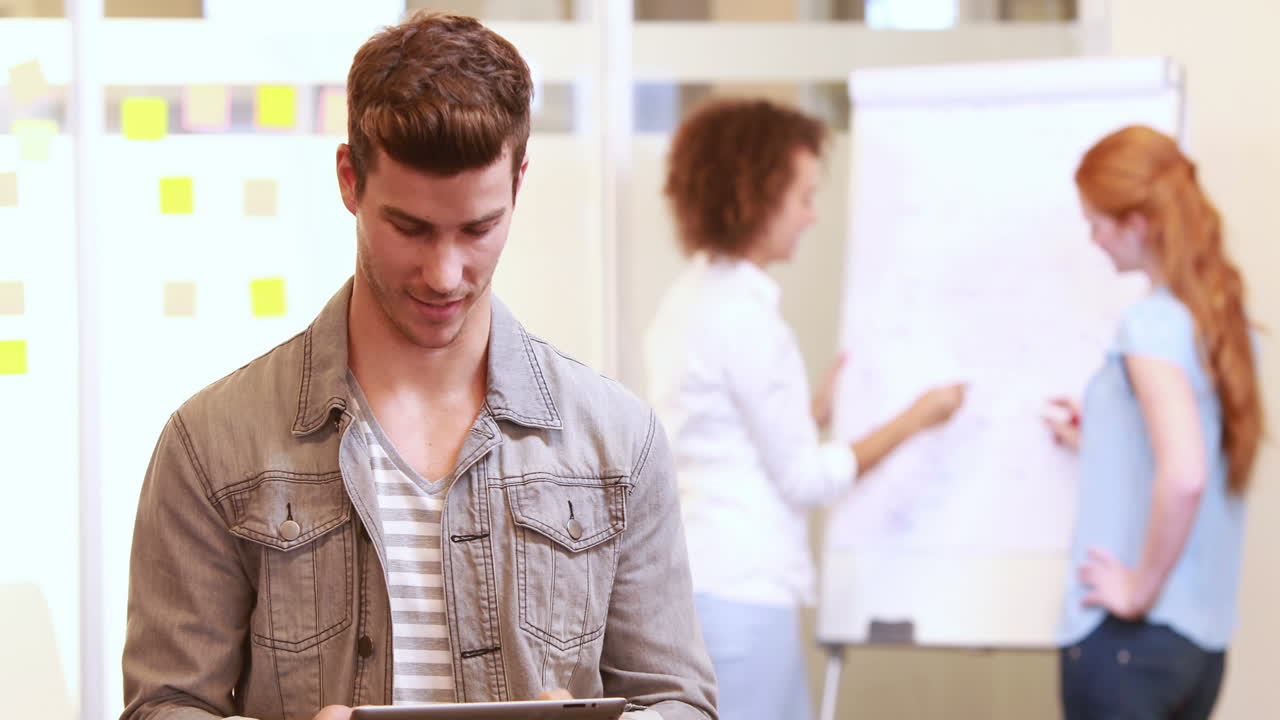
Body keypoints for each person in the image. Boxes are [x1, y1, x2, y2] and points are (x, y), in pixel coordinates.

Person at [120, 13, 716, 720]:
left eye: (478, 228)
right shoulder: (212, 442)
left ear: (519, 183)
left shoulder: (617, 440)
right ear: (350, 180)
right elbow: (164, 705)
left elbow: (680, 703)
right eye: (410, 228)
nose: (444, 273)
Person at [644, 98, 965, 720]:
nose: (812, 216)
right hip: (743, 595)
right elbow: (806, 479)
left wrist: (807, 413)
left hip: (703, 583)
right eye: (803, 197)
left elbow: (717, 433)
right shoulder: (745, 317)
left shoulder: (689, 300)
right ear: (756, 198)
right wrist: (918, 417)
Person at [1047, 125, 1263, 720]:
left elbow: (1185, 474)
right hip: (1197, 651)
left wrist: (1137, 590)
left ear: (1137, 223)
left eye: (1097, 223)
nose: (1092, 240)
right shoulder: (1225, 328)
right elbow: (1191, 448)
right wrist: (1096, 437)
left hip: (1127, 647)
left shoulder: (1150, 325)